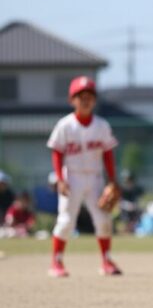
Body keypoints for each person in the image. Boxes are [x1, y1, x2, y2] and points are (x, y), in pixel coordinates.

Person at [46, 76, 122, 278]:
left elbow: (107, 153)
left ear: (95, 100)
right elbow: (57, 152)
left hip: (95, 178)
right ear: (72, 100)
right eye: (81, 96)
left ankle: (106, 261)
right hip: (71, 177)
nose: (85, 100)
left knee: (103, 219)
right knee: (66, 221)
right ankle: (57, 262)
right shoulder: (65, 125)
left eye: (89, 96)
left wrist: (113, 180)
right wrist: (60, 180)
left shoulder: (101, 125)